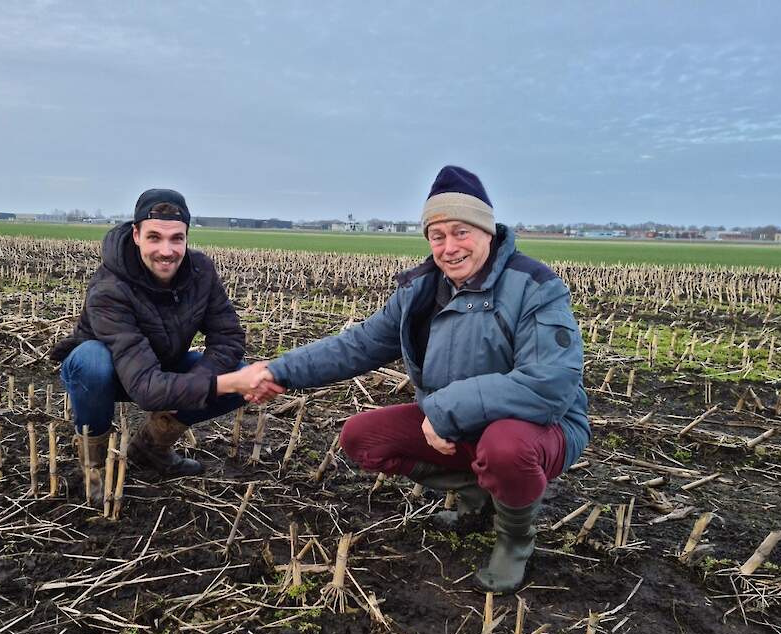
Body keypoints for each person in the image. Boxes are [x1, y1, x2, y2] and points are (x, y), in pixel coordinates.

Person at [237, 165, 590, 592]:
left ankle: (515, 539)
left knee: (505, 446)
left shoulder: (534, 287)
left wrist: (443, 409)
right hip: (457, 426)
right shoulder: (419, 291)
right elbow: (358, 346)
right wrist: (280, 371)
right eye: (437, 235)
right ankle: (480, 495)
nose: (449, 247)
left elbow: (548, 385)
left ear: (487, 231)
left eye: (461, 231)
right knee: (362, 437)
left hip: (541, 429)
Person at [52, 188, 269, 506]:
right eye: (155, 237)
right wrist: (208, 386)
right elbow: (146, 390)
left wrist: (199, 383)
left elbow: (229, 338)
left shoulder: (200, 271)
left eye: (176, 239)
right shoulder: (109, 288)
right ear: (136, 234)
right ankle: (94, 465)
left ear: (186, 238)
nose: (167, 251)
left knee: (238, 373)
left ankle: (150, 448)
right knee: (91, 360)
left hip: (161, 368)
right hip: (108, 376)